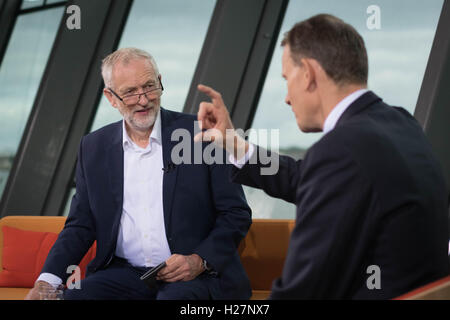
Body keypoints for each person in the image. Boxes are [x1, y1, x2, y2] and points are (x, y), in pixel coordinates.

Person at [194, 14, 450, 299]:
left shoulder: (340, 151)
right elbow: (306, 179)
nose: (287, 98)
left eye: (286, 78)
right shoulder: (401, 124)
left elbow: (303, 292)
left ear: (308, 73)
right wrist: (236, 145)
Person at [25, 48, 252, 300]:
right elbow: (81, 224)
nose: (143, 100)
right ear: (111, 97)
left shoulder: (201, 136)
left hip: (196, 276)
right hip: (123, 273)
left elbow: (236, 213)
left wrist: (200, 260)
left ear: (160, 82)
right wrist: (47, 280)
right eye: (130, 92)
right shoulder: (93, 147)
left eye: (149, 86)